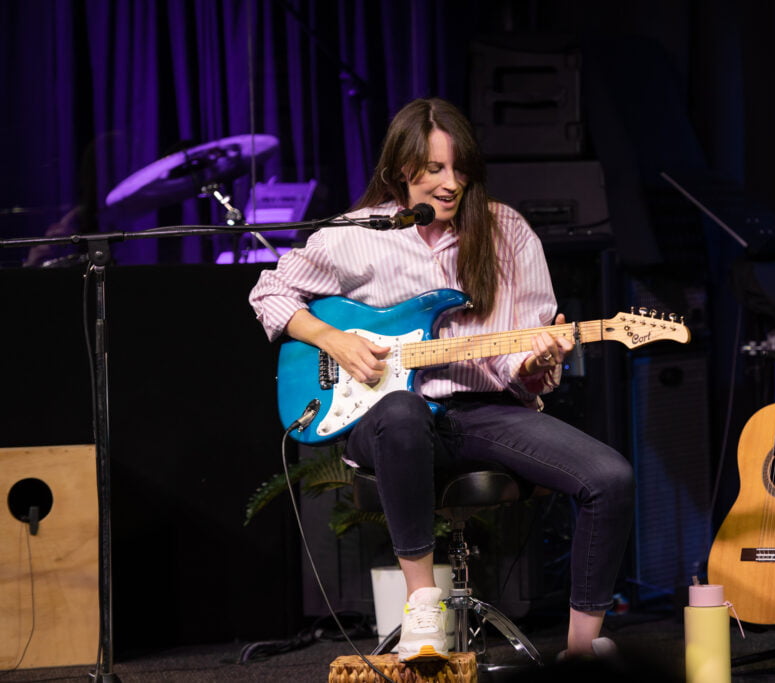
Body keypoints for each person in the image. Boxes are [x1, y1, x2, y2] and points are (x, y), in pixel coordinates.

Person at [249, 97, 634, 663]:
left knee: (610, 476)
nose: (450, 183)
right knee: (402, 413)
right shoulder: (353, 234)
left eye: (460, 168)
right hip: (380, 416)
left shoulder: (507, 233)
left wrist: (535, 360)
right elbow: (269, 293)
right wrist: (334, 339)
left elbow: (522, 362)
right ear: (400, 169)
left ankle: (581, 650)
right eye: (434, 169)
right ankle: (422, 600)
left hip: (481, 411)